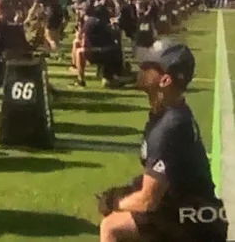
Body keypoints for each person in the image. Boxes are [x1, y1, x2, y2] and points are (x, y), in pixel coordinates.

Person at [98, 39, 228, 242]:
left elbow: (148, 200)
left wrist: (116, 202)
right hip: (193, 212)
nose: (140, 68)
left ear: (165, 80)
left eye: (148, 66)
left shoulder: (168, 127)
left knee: (111, 226)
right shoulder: (169, 112)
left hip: (197, 223)